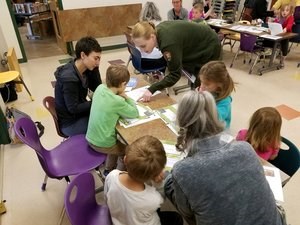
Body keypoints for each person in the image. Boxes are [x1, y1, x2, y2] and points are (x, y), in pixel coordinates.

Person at [164, 90, 286, 225]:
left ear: (181, 122)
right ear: (216, 117)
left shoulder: (182, 171)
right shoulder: (245, 148)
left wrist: (168, 179)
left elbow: (186, 212)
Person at [132, 21, 221, 102]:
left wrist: (152, 89)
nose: (142, 50)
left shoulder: (168, 43)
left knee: (204, 82)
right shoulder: (157, 31)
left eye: (143, 46)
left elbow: (175, 74)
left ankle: (209, 110)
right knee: (196, 83)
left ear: (152, 37)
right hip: (197, 44)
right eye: (139, 47)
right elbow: (169, 61)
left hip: (209, 45)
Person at [104, 135, 183, 225]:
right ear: (154, 175)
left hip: (118, 220)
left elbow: (106, 198)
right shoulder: (152, 198)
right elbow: (161, 198)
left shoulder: (112, 175)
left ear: (125, 159)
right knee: (176, 218)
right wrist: (159, 182)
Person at [86, 65, 139, 174]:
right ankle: (117, 175)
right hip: (103, 144)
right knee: (128, 151)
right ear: (123, 84)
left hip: (90, 136)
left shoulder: (100, 88)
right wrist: (126, 97)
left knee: (116, 142)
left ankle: (108, 169)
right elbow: (135, 113)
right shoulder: (117, 101)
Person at [54, 36, 102, 136]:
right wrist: (97, 102)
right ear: (83, 55)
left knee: (109, 113)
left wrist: (95, 69)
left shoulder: (85, 69)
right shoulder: (69, 78)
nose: (98, 63)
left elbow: (98, 88)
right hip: (70, 123)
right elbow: (73, 108)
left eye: (99, 59)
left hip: (79, 114)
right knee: (107, 121)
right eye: (95, 58)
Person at [198, 61, 235, 128]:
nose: (202, 86)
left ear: (219, 84)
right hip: (206, 124)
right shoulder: (207, 90)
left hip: (218, 130)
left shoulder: (225, 102)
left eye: (206, 84)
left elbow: (215, 120)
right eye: (201, 82)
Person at [138, 1, 167, 71]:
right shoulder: (160, 25)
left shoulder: (140, 26)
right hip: (156, 61)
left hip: (140, 60)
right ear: (156, 12)